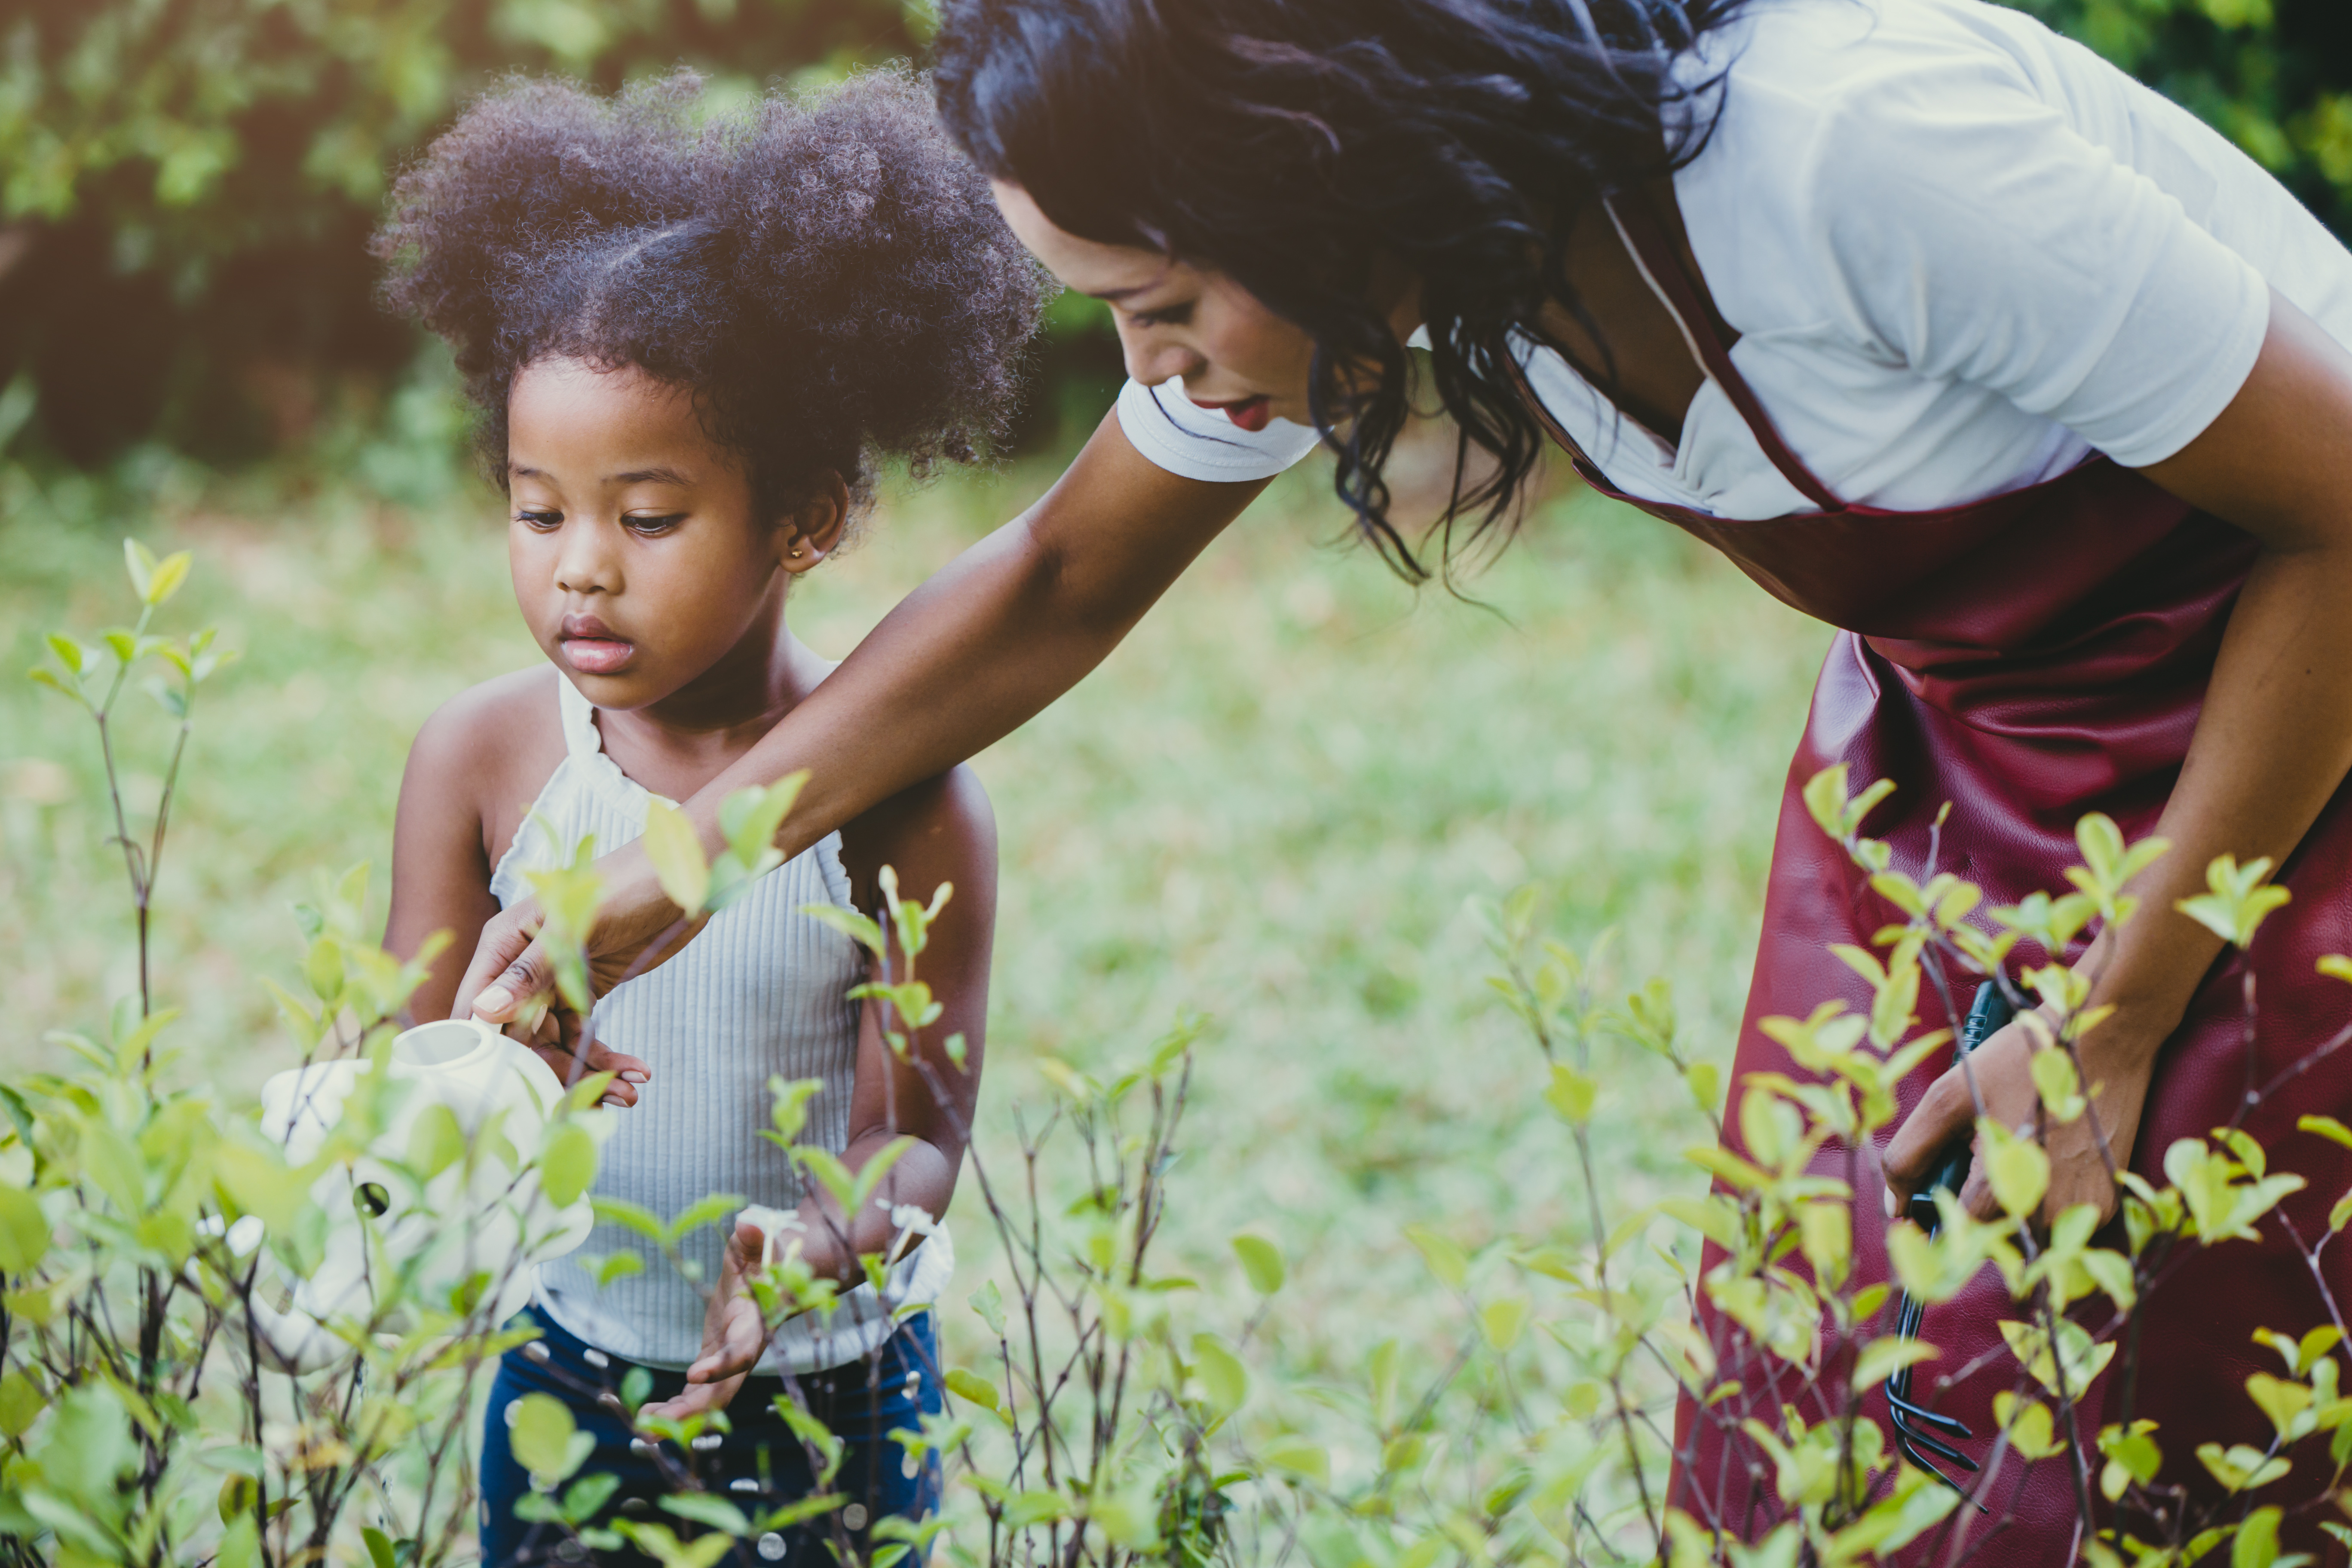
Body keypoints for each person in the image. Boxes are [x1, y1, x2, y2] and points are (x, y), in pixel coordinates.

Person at [450, 0, 2352, 1551]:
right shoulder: (1457, 230)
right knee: (1827, 1409)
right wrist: (699, 849)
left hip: (2280, 782)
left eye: (1161, 302)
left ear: (1299, 168)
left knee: (2171, 1414)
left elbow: (2344, 519)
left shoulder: (1862, 152)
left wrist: (2119, 1016)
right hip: (1937, 778)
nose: (1155, 362)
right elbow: (1059, 574)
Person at [373, 69, 1035, 1566]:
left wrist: (814, 1248)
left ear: (804, 516)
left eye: (648, 517)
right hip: (566, 1371)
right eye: (539, 512)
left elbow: (917, 1138)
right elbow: (391, 1075)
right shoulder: (482, 758)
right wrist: (486, 1088)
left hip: (835, 1394)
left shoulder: (908, 806)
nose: (581, 570)